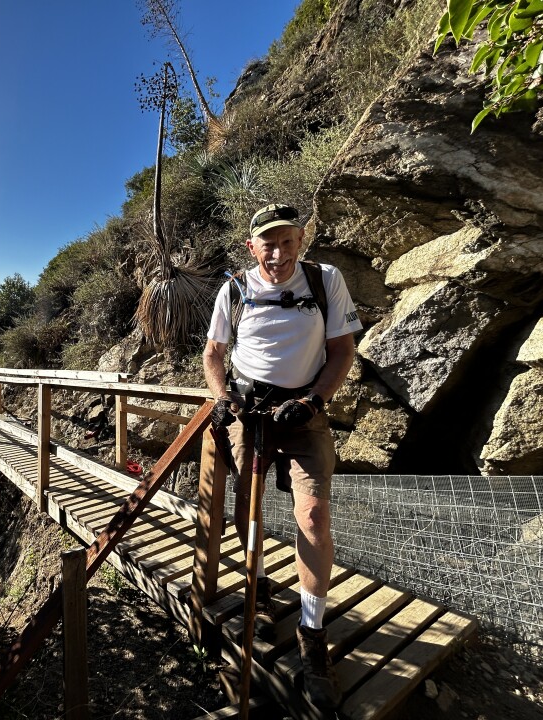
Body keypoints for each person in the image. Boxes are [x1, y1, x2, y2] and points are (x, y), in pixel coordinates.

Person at [202, 202, 361, 710]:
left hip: (304, 411)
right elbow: (212, 354)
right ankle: (262, 587)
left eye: (288, 241)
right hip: (249, 412)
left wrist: (315, 400)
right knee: (248, 505)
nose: (278, 252)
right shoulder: (233, 289)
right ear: (252, 248)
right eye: (267, 243)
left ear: (302, 240)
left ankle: (313, 635)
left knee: (313, 514)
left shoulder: (325, 280)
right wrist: (222, 399)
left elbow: (341, 350)